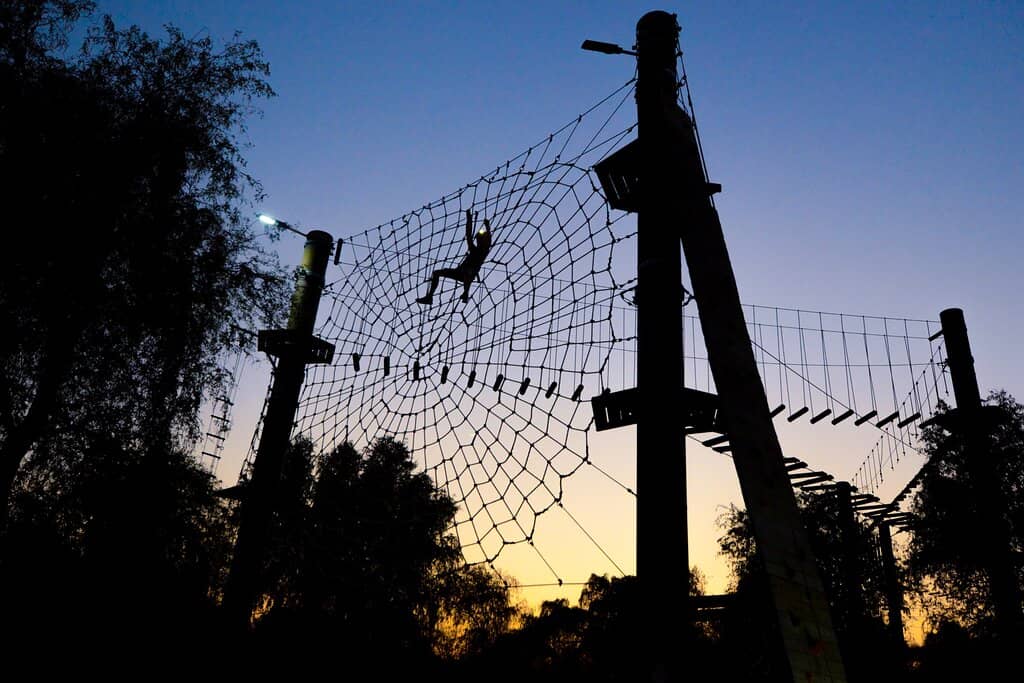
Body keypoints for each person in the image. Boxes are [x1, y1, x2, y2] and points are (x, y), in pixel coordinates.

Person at [416, 209, 492, 304]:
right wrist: (469, 219)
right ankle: (429, 297)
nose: (478, 240)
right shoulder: (473, 249)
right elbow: (468, 235)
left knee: (468, 272)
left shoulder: (484, 251)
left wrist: (487, 226)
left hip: (469, 274)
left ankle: (465, 293)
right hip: (459, 272)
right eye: (478, 239)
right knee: (436, 273)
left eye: (480, 239)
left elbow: (488, 240)